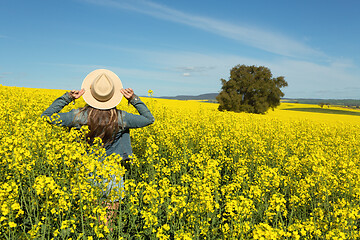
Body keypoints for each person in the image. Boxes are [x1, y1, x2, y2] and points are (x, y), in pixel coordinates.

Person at [41, 69, 155, 226]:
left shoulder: (78, 116)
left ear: (91, 94)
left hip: (87, 172)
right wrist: (133, 99)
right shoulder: (122, 118)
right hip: (113, 173)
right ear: (113, 95)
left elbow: (46, 116)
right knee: (107, 225)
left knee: (92, 224)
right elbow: (149, 119)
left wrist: (68, 98)